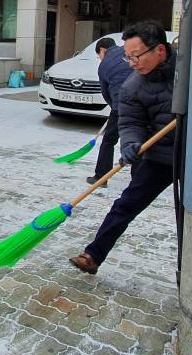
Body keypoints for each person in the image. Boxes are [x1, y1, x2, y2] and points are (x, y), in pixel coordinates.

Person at [70, 21, 176, 275]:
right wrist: (130, 145)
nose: (132, 63)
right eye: (128, 57)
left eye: (135, 56)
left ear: (160, 50)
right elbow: (130, 123)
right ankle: (93, 255)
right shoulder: (132, 86)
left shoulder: (191, 68)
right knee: (126, 204)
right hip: (160, 154)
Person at [89, 37, 134, 187]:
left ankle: (101, 177)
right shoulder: (128, 52)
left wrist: (114, 106)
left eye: (98, 55)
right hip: (143, 101)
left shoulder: (103, 66)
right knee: (139, 139)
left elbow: (105, 92)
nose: (99, 58)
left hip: (121, 103)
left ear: (102, 50)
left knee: (109, 140)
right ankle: (138, 178)